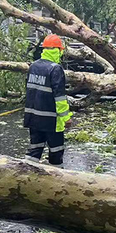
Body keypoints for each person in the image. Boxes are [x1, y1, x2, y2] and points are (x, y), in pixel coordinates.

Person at [24, 34, 72, 165]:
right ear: (58, 50)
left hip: (33, 118)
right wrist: (66, 118)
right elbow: (60, 98)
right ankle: (56, 181)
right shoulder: (55, 69)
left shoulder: (33, 66)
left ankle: (25, 177)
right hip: (51, 120)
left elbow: (29, 91)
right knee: (56, 152)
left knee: (34, 151)